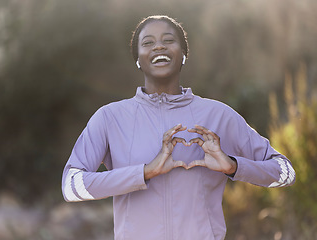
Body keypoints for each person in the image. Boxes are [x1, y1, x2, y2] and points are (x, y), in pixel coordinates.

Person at [62, 15, 295, 240]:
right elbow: (71, 187)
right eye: (148, 43)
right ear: (138, 59)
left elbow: (285, 172)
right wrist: (144, 172)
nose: (159, 47)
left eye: (169, 40)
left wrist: (233, 166)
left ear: (183, 54)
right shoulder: (109, 118)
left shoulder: (219, 115)